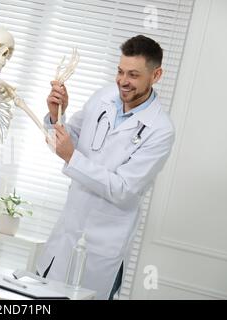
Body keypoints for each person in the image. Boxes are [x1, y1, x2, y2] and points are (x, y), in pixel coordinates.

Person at [37, 35, 175, 299]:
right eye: (120, 71)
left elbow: (123, 189)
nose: (123, 81)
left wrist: (72, 158)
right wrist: (57, 114)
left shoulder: (161, 130)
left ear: (156, 75)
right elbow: (67, 140)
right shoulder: (103, 97)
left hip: (103, 246)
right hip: (67, 232)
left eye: (133, 74)